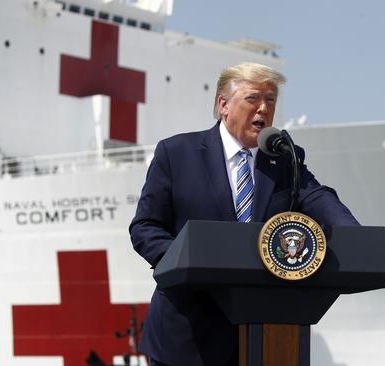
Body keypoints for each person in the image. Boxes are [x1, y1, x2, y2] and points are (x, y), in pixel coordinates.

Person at [129, 62, 359, 366]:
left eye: (271, 100)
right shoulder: (176, 153)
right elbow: (145, 227)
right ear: (223, 104)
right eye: (253, 99)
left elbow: (316, 196)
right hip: (187, 337)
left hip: (266, 339)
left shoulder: (284, 159)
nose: (264, 109)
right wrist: (184, 259)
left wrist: (354, 237)